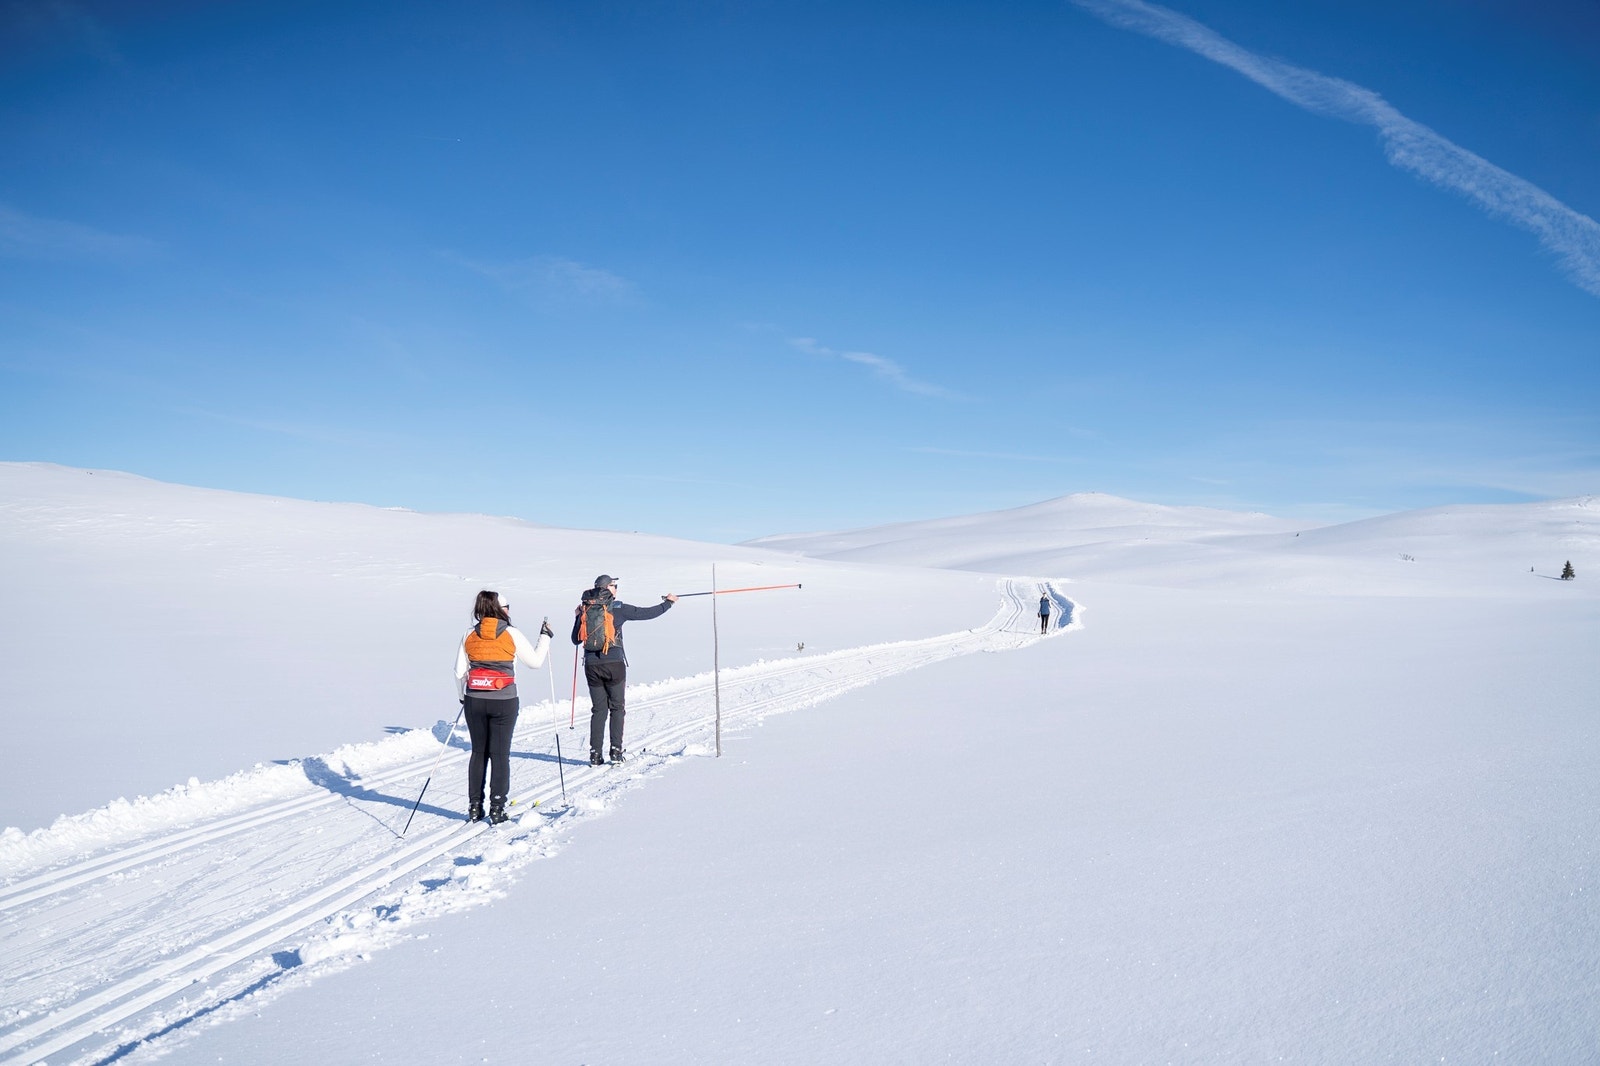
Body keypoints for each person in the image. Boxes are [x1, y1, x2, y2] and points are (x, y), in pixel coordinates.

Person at [454, 590, 553, 824]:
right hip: (504, 700)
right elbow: (535, 663)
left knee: (479, 752)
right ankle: (497, 807)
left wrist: (463, 697)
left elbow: (459, 671)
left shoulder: (469, 633)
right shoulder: (511, 633)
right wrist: (545, 637)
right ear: (500, 609)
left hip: (474, 700)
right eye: (507, 606)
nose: (509, 611)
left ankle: (475, 807)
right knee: (500, 754)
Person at [571, 574, 677, 766]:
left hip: (591, 665)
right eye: (614, 585)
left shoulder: (585, 608)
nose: (616, 588)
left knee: (598, 710)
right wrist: (668, 603)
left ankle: (595, 755)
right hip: (614, 664)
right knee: (617, 708)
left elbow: (576, 640)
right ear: (608, 588)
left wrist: (578, 617)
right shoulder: (617, 607)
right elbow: (646, 613)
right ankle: (616, 752)